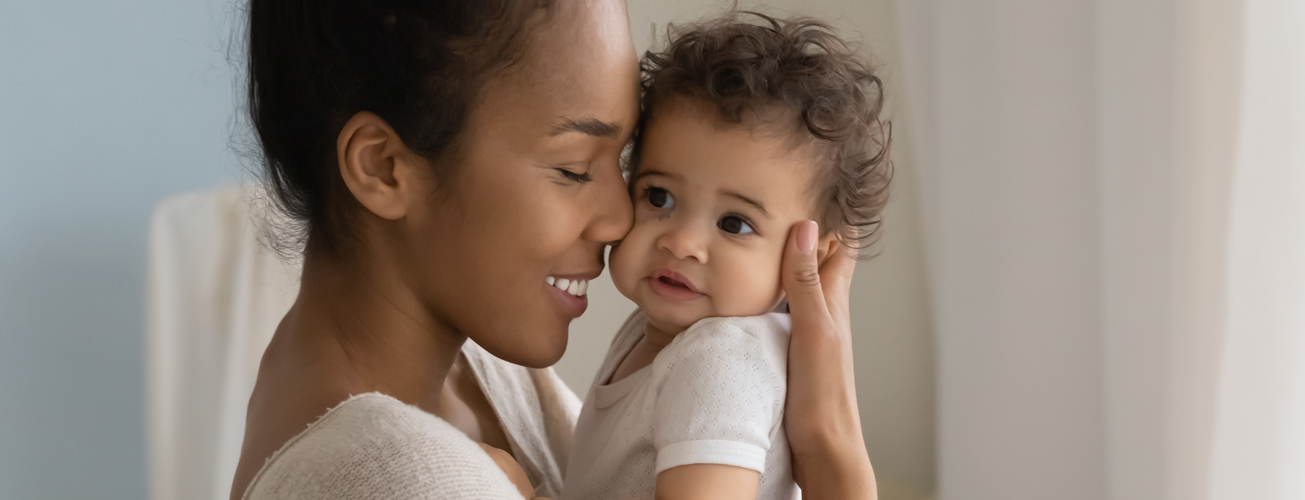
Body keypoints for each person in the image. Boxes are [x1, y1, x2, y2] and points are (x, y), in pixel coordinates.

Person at [229, 0, 877, 499]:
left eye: (618, 159)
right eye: (572, 168)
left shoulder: (476, 366)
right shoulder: (393, 476)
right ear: (385, 167)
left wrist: (824, 434)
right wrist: (832, 452)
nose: (620, 215)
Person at [555, 12, 892, 500]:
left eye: (734, 223)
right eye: (658, 197)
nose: (681, 242)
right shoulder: (659, 330)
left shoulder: (720, 358)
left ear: (813, 257)